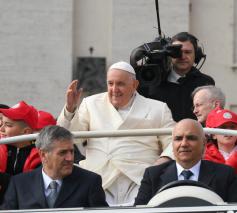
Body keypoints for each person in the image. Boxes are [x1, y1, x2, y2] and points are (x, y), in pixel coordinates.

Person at [57, 61, 175, 206]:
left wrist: (161, 162)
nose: (114, 89)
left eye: (120, 84)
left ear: (135, 85)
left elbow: (173, 141)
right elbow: (72, 137)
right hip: (100, 177)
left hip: (139, 178)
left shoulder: (158, 108)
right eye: (110, 83)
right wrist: (70, 109)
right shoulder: (91, 103)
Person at [1, 125, 108, 210]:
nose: (70, 158)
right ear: (43, 154)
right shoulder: (19, 184)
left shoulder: (90, 182)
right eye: (63, 153)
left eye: (72, 151)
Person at [135, 119, 237, 205]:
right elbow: (138, 211)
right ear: (172, 144)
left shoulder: (225, 175)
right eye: (178, 139)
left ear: (204, 143)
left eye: (191, 138)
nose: (184, 144)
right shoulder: (152, 175)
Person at [149, 32, 215, 121]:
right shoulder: (153, 82)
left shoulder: (206, 83)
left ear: (196, 55)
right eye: (177, 52)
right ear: (169, 54)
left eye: (187, 52)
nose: (182, 56)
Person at [0, 101, 41, 175]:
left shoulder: (39, 155)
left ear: (26, 131)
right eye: (2, 123)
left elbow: (27, 184)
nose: (1, 129)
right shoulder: (2, 147)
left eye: (8, 125)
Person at [204, 107, 237, 173]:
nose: (228, 131)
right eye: (223, 127)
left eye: (232, 127)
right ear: (213, 135)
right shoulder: (205, 156)